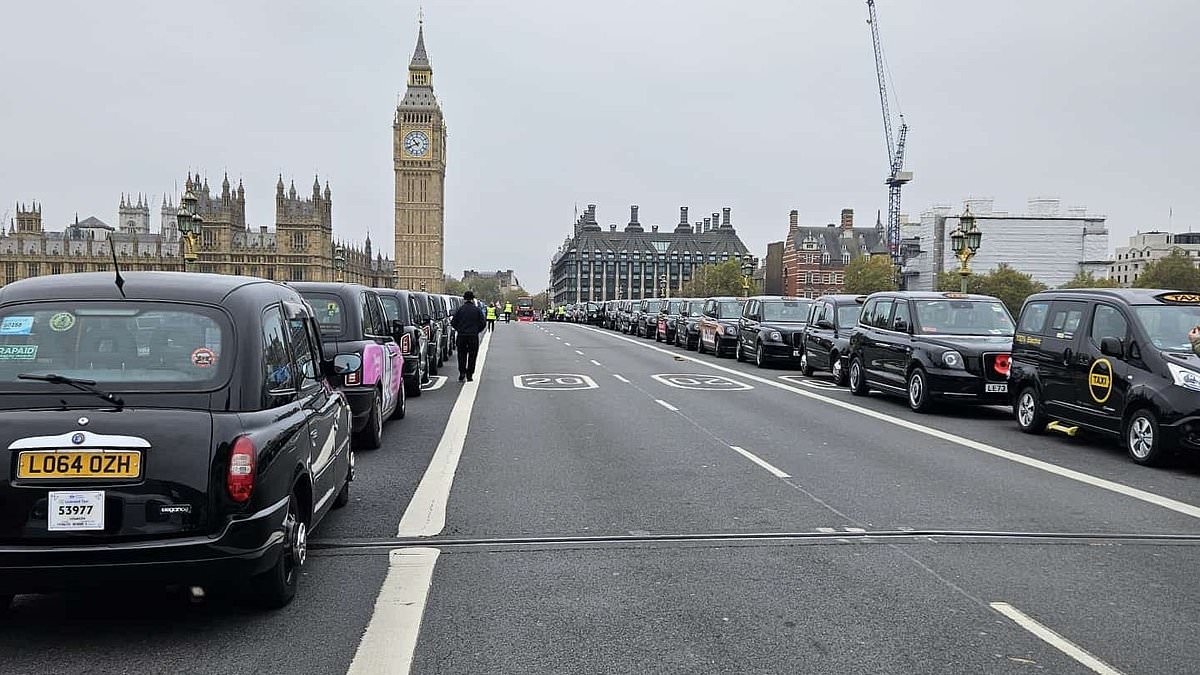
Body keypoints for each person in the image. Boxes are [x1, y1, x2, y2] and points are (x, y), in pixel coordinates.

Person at [451, 290, 486, 382]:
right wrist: (476, 331)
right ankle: (470, 374)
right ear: (472, 299)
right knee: (472, 355)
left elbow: (453, 322)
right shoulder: (477, 310)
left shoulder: (460, 310)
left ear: (464, 299)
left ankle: (462, 372)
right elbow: (483, 323)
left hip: (462, 335)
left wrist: (460, 329)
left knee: (461, 354)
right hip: (473, 336)